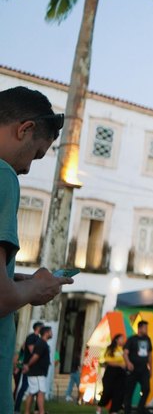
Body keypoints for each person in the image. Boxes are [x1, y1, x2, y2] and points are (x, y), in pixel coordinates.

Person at [0, 86, 73, 412]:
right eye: (36, 154)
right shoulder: (3, 177)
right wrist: (36, 288)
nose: (28, 168)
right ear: (25, 129)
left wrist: (20, 279)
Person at [21, 325, 52, 414]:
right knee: (40, 392)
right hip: (37, 373)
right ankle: (41, 412)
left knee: (32, 392)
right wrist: (28, 365)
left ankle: (28, 412)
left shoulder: (41, 342)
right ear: (46, 333)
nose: (51, 333)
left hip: (37, 373)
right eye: (50, 331)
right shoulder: (41, 343)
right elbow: (35, 356)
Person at [123, 320, 153, 413]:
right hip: (133, 369)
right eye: (145, 328)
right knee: (129, 391)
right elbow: (125, 353)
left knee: (146, 389)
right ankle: (127, 411)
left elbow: (150, 355)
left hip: (144, 369)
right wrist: (128, 363)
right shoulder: (132, 339)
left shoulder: (148, 339)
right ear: (139, 328)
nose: (146, 329)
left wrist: (151, 368)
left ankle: (140, 408)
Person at [97, 334, 126, 414]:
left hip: (121, 374)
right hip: (111, 373)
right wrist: (120, 364)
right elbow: (109, 362)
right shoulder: (110, 348)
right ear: (116, 339)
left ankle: (114, 411)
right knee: (107, 391)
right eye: (121, 339)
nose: (123, 340)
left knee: (118, 393)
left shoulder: (124, 349)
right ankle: (99, 407)